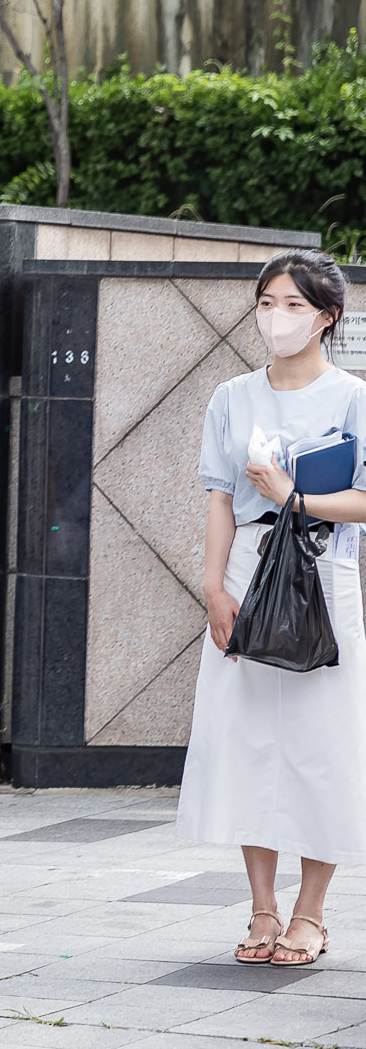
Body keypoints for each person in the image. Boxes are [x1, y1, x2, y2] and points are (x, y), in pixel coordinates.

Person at [183, 249, 366, 967]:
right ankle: (261, 907)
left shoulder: (353, 396)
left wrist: (291, 490)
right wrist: (212, 585)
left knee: (322, 741)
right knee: (246, 737)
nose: (276, 317)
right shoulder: (230, 395)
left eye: (293, 304)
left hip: (325, 569)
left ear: (327, 316)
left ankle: (311, 912)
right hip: (249, 568)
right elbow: (221, 498)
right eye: (266, 302)